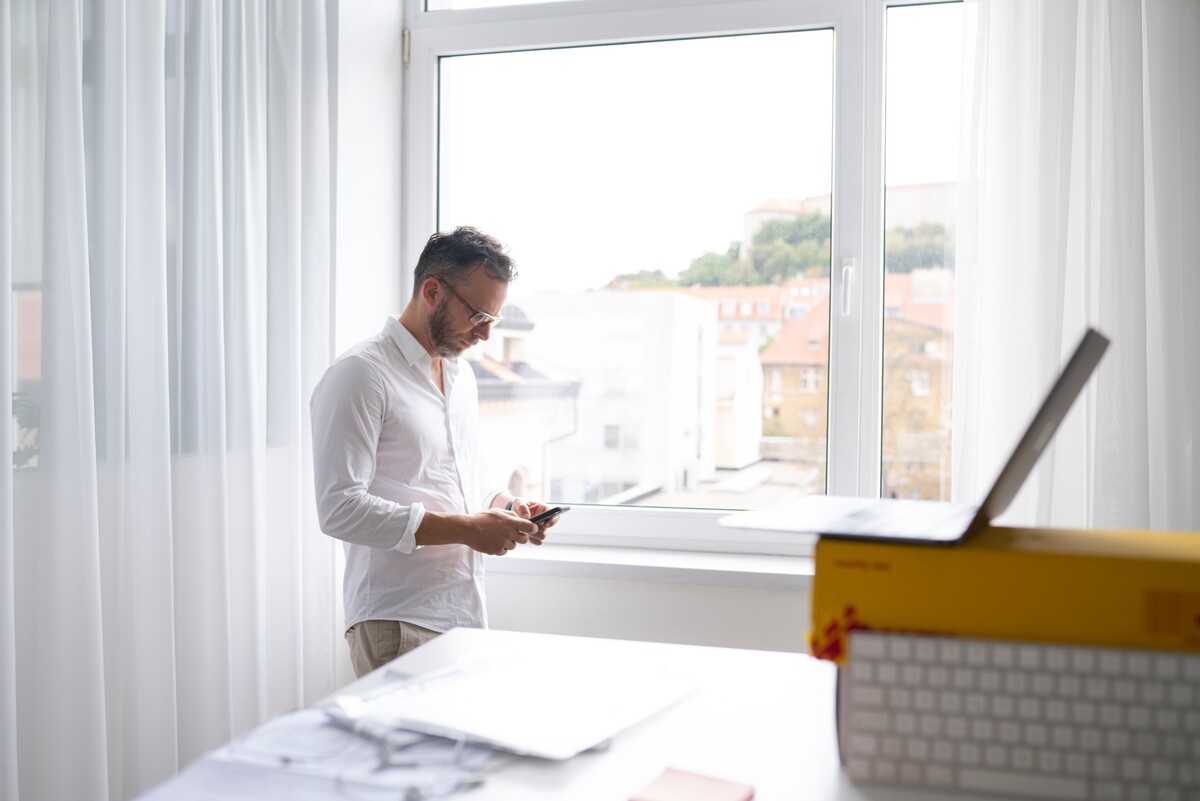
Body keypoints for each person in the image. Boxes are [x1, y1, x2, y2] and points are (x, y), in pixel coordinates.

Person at [310, 226, 560, 677]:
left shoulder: (460, 377)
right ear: (432, 290)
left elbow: (467, 478)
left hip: (463, 617)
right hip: (396, 621)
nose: (485, 334)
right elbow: (339, 508)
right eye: (479, 314)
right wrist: (467, 529)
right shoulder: (361, 374)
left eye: (493, 320)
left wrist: (507, 508)